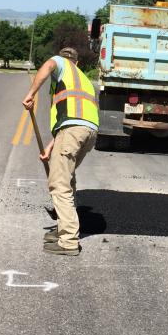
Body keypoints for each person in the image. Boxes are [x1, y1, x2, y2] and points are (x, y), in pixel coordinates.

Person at [22, 46, 99, 256]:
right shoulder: (82, 78)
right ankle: (63, 229)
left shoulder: (60, 63)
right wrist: (50, 147)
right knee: (68, 179)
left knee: (59, 183)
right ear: (78, 62)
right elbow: (72, 119)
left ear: (66, 60)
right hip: (87, 132)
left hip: (73, 131)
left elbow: (48, 64)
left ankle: (68, 241)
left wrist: (31, 95)